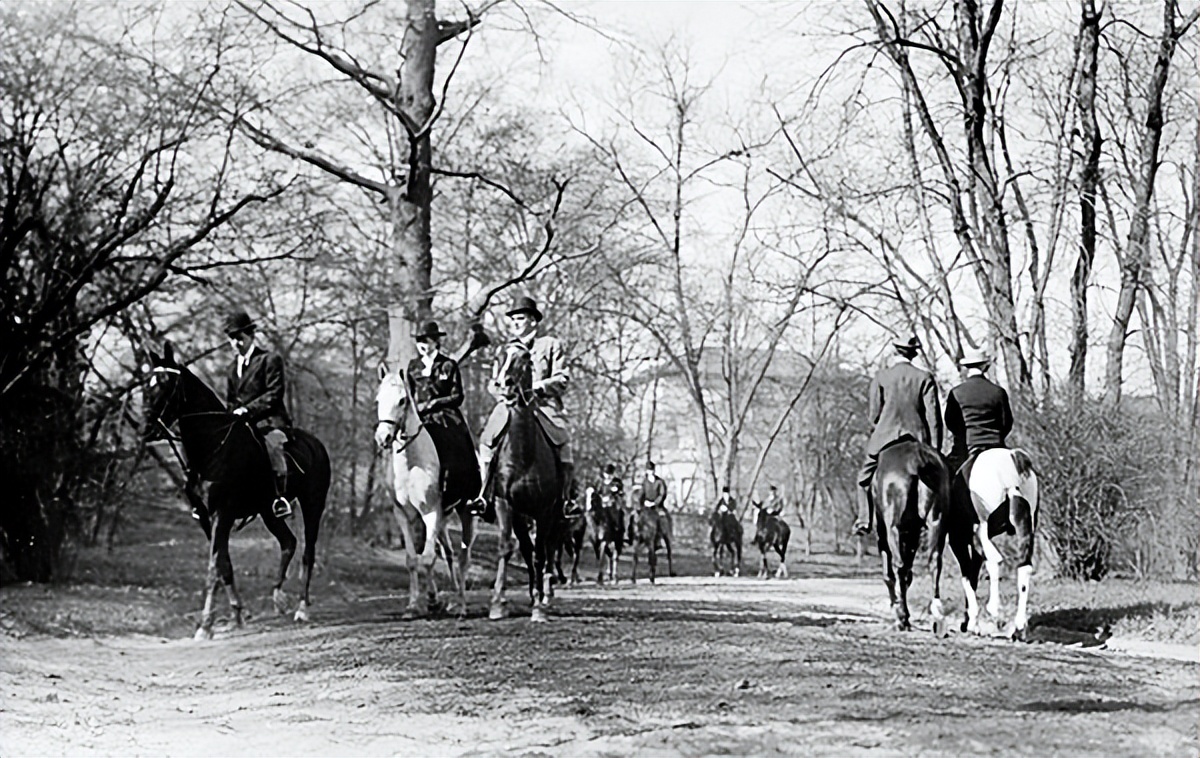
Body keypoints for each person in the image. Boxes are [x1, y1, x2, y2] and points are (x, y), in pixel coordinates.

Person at [468, 295, 573, 516]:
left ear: (533, 321)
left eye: (520, 318)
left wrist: (539, 387)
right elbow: (492, 383)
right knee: (486, 441)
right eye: (513, 319)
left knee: (563, 441)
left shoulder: (551, 345)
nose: (515, 323)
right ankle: (482, 495)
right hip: (510, 405)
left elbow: (562, 378)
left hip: (542, 405)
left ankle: (566, 499)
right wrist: (502, 393)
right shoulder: (504, 351)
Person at [853, 335, 943, 536]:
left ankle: (864, 520)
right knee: (941, 481)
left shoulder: (881, 377)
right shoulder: (924, 378)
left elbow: (874, 415)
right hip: (918, 440)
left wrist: (881, 426)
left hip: (885, 438)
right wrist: (934, 450)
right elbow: (934, 418)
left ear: (896, 351)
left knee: (863, 479)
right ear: (914, 353)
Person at [223, 310, 295, 519]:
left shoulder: (269, 360)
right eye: (232, 339)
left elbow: (274, 394)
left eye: (240, 338)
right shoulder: (231, 369)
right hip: (241, 424)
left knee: (270, 446)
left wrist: (247, 410)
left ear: (250, 336)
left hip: (270, 421)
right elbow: (230, 401)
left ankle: (279, 498)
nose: (236, 344)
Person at [404, 320, 480, 503]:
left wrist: (434, 403)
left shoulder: (448, 365)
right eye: (419, 341)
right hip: (421, 416)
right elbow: (409, 394)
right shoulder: (413, 367)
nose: (422, 345)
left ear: (436, 342)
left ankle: (469, 488)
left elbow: (458, 396)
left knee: (457, 441)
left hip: (445, 415)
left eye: (426, 341)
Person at [944, 348, 1013, 477]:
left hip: (966, 447)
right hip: (996, 445)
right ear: (985, 366)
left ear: (966, 367)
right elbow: (1007, 423)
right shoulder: (998, 391)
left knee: (946, 480)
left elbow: (950, 422)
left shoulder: (956, 392)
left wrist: (962, 437)